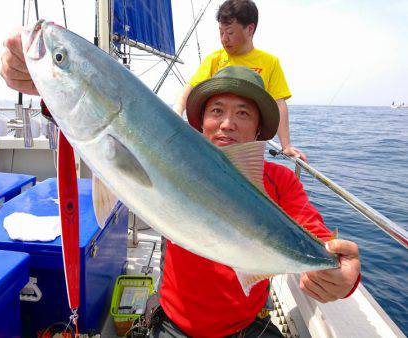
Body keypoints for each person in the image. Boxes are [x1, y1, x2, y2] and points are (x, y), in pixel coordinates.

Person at [147, 66, 361, 337]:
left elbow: (315, 233)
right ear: (201, 122)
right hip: (175, 324)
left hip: (247, 327)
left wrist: (343, 274)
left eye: (243, 113)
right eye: (216, 111)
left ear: (259, 129)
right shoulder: (171, 163)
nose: (227, 124)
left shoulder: (280, 180)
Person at [174, 0, 307, 162]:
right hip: (214, 144)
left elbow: (279, 104)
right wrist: (176, 114)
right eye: (221, 32)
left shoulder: (269, 62)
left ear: (250, 29)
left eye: (230, 33)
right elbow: (189, 90)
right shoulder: (214, 59)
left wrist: (286, 145)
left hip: (246, 147)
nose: (224, 39)